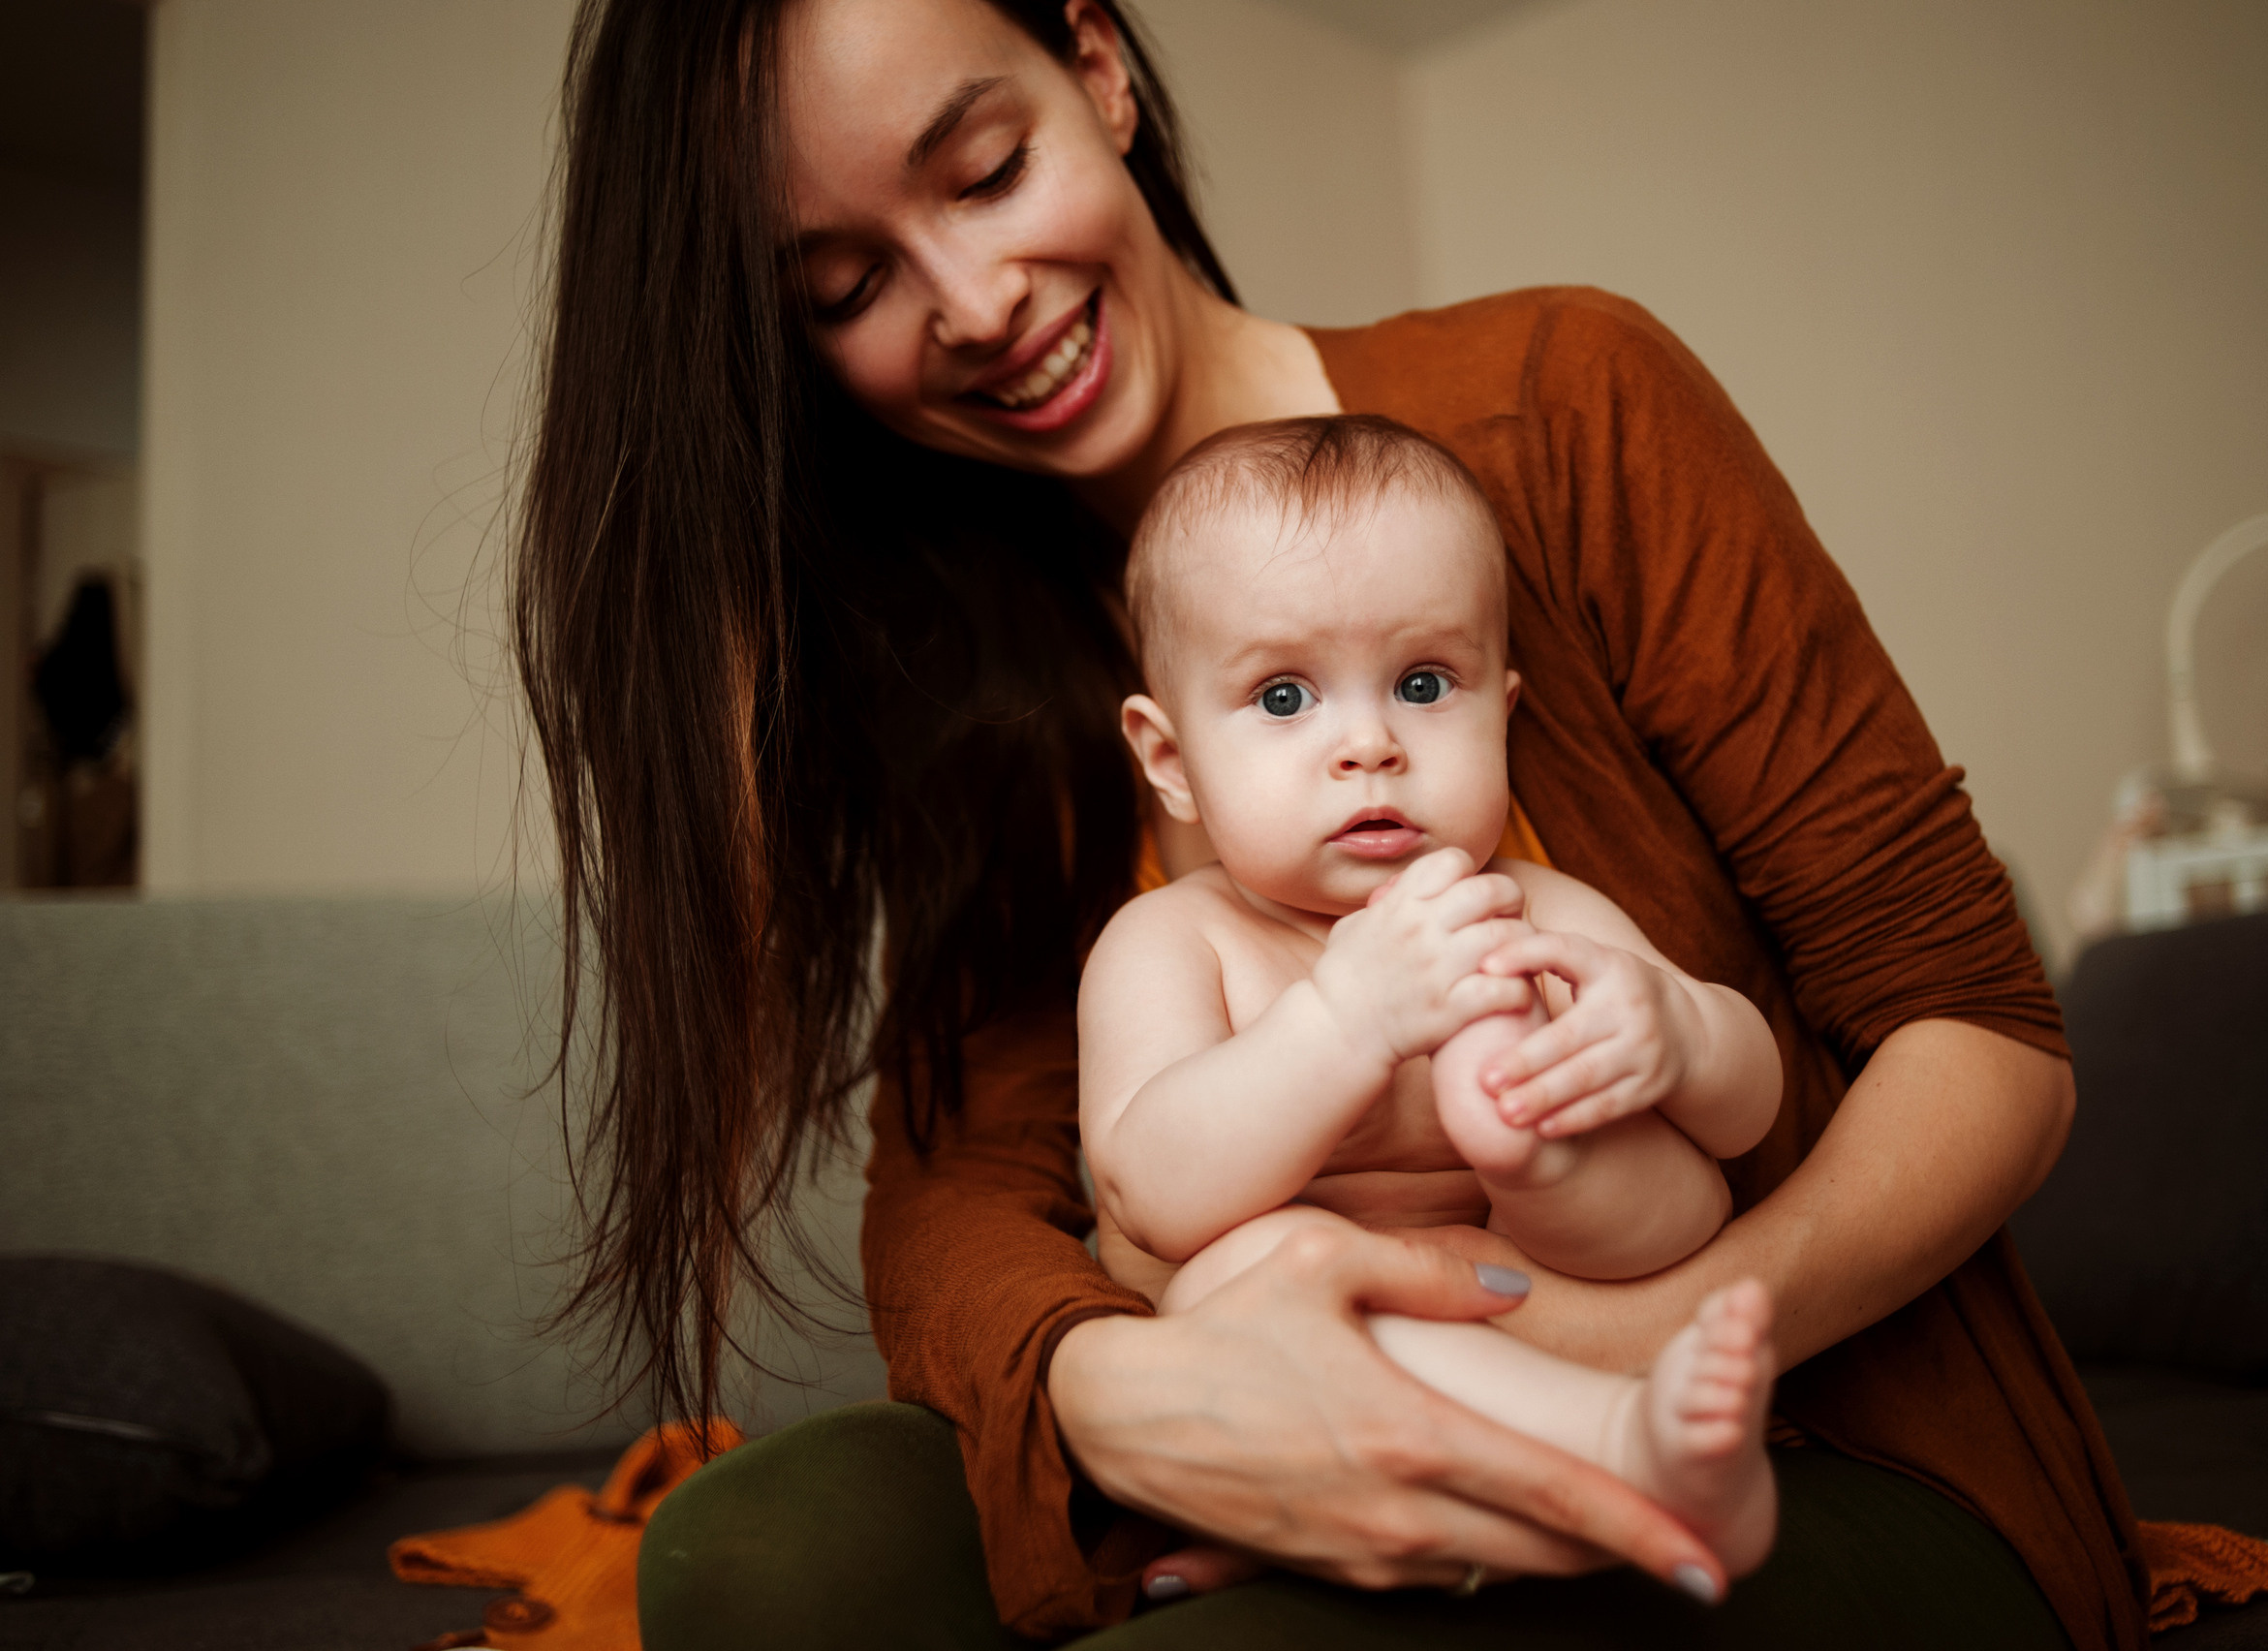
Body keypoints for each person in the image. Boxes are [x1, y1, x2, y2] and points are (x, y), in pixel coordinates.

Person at [510, 0, 2147, 1645]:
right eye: (846, 286)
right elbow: (967, 1196)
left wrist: (1606, 1348)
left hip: (1803, 1422)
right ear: (1163, 750)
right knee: (760, 1555)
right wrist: (1134, 1396)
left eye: (990, 171)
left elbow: (1985, 1038)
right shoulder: (976, 686)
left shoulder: (1564, 403)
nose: (977, 301)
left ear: (1099, 72)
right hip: (1284, 1380)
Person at [1082, 415, 1787, 1595]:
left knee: (1662, 1169)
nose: (1369, 744)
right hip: (1317, 1370)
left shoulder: (1533, 909)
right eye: (1282, 696)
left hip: (1546, 1303)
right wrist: (1345, 1023)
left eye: (1422, 685)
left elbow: (1745, 1118)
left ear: (1501, 711)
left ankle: (1534, 1173)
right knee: (1243, 1265)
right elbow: (1149, 1197)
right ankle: (1630, 1451)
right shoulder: (1172, 940)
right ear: (1170, 761)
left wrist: (1677, 1037)